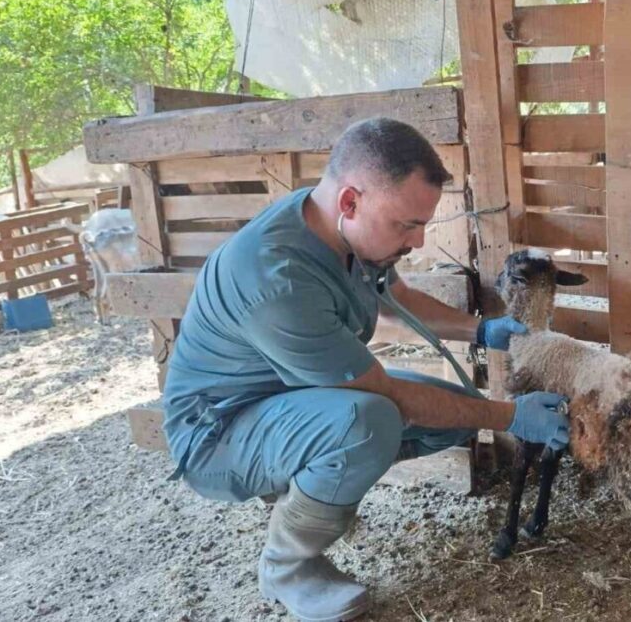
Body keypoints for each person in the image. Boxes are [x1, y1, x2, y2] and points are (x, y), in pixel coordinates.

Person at [161, 117, 570, 622]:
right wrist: (510, 416)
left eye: (422, 224)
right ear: (350, 201)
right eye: (407, 225)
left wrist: (481, 330)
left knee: (458, 413)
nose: (418, 241)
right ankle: (287, 568)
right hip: (219, 434)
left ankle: (315, 484)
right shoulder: (279, 279)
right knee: (369, 422)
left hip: (291, 398)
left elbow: (394, 295)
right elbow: (385, 396)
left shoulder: (342, 230)